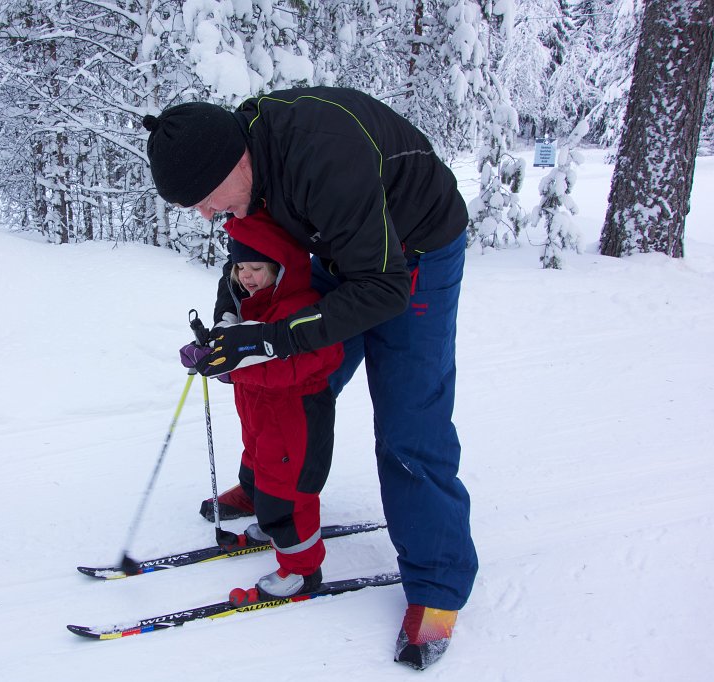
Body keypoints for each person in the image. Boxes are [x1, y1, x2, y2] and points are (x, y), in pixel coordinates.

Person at [142, 86, 478, 670]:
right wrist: (232, 320)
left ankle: (438, 585)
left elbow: (383, 287)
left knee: (407, 420)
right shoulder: (246, 165)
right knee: (287, 383)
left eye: (202, 199)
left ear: (235, 164)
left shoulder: (323, 156)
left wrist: (272, 338)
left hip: (415, 253)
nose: (204, 214)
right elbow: (249, 251)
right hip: (343, 248)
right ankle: (266, 486)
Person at [181, 209, 343, 599]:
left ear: (282, 268)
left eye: (256, 267)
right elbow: (242, 348)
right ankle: (272, 527)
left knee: (287, 498)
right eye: (240, 267)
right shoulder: (254, 305)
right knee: (262, 475)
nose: (246, 276)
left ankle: (301, 571)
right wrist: (212, 351)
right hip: (264, 424)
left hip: (296, 423)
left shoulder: (303, 308)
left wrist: (232, 369)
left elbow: (289, 368)